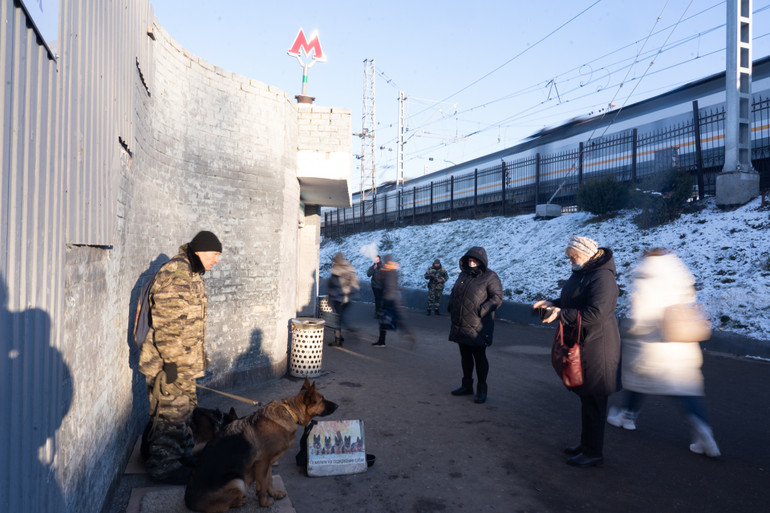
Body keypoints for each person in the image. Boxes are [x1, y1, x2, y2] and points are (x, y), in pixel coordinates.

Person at [607, 248, 720, 457]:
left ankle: (628, 415)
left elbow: (642, 312)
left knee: (638, 378)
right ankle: (704, 430)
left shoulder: (645, 275)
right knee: (685, 389)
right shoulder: (679, 273)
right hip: (680, 341)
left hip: (652, 343)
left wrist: (630, 332)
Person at [138, 230, 222, 483]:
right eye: (215, 254)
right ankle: (164, 467)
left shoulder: (192, 273)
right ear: (200, 251)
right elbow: (168, 325)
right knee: (170, 415)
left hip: (183, 364)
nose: (217, 260)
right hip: (169, 365)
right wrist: (172, 365)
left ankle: (180, 455)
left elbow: (191, 324)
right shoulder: (177, 274)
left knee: (182, 412)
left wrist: (196, 359)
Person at [533, 235, 621, 468]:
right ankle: (586, 444)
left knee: (595, 402)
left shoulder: (603, 278)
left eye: (573, 257)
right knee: (587, 398)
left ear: (587, 254)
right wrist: (551, 304)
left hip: (598, 347)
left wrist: (560, 314)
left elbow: (595, 314)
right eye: (569, 258)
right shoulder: (582, 273)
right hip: (584, 344)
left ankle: (593, 452)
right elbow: (570, 300)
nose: (570, 262)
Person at [447, 247, 503, 404]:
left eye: (475, 259)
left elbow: (497, 298)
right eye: (469, 258)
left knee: (479, 357)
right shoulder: (463, 274)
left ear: (482, 261)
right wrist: (451, 305)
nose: (472, 261)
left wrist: (482, 310)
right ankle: (467, 386)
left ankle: (482, 388)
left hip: (479, 326)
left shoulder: (490, 277)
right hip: (461, 323)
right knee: (465, 356)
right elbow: (454, 292)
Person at [373, 254, 415, 347]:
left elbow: (379, 277)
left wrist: (379, 269)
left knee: (383, 318)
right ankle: (406, 333)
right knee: (394, 318)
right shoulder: (394, 270)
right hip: (394, 297)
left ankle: (382, 341)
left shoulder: (388, 271)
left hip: (388, 298)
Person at [327, 252, 360, 347]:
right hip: (348, 299)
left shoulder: (335, 271)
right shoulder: (350, 269)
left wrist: (330, 301)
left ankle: (339, 339)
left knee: (337, 319)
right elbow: (355, 283)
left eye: (334, 261)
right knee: (341, 318)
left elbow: (333, 288)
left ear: (337, 262)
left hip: (339, 299)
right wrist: (353, 295)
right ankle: (341, 335)